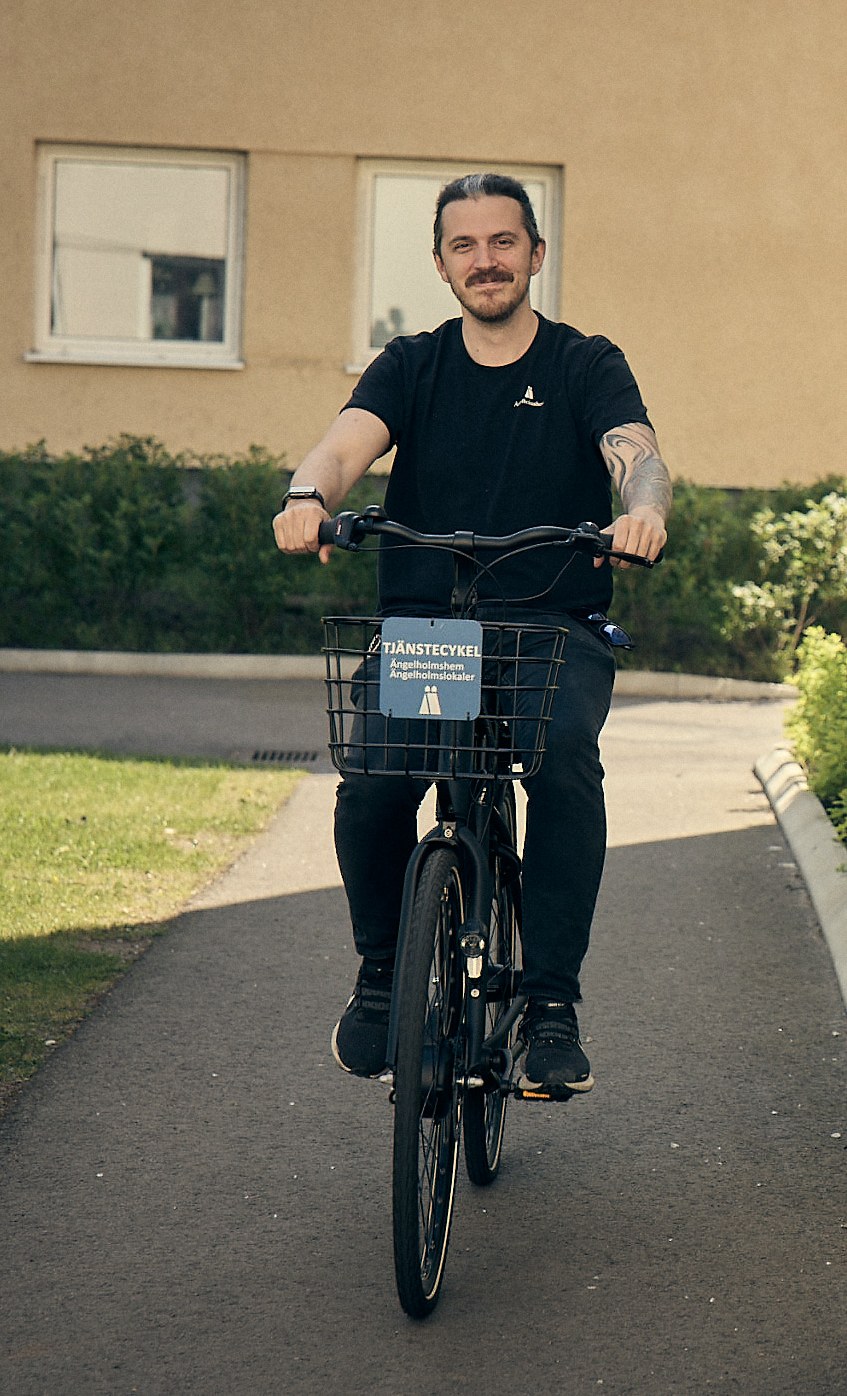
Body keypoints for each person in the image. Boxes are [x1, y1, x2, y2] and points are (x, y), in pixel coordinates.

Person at [271, 172, 669, 1097]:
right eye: (464, 245)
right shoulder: (412, 364)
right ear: (443, 265)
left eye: (503, 242)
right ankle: (382, 976)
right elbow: (341, 448)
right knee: (373, 779)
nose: (484, 260)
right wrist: (306, 496)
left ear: (535, 254)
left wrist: (642, 510)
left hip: (546, 626)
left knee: (564, 762)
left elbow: (638, 454)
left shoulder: (582, 362)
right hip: (431, 632)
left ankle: (551, 1005)